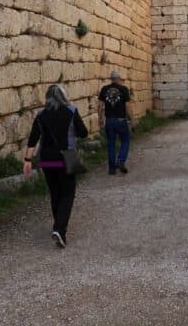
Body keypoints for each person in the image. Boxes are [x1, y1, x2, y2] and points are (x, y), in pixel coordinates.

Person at [23, 84, 88, 249]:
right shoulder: (71, 111)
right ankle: (59, 229)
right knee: (68, 193)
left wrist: (27, 160)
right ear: (64, 96)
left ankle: (57, 226)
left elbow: (33, 139)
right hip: (67, 157)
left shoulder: (41, 115)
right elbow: (83, 132)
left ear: (47, 97)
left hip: (47, 159)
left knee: (55, 193)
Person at [98, 70, 134, 175]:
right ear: (118, 78)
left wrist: (100, 118)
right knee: (125, 140)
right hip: (121, 120)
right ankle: (121, 160)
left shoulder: (104, 89)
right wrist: (132, 119)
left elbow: (100, 106)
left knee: (111, 144)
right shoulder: (123, 89)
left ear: (111, 79)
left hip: (109, 121)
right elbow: (127, 106)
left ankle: (112, 169)